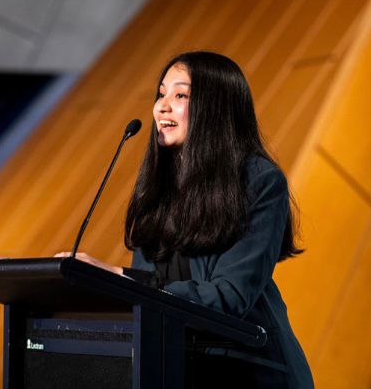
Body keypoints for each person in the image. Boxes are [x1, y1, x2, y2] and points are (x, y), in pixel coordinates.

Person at [56, 51, 314, 388]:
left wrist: (120, 278)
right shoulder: (158, 188)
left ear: (214, 108)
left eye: (180, 95)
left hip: (251, 374)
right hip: (179, 370)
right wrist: (95, 280)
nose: (161, 106)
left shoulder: (260, 181)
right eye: (161, 93)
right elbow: (150, 287)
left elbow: (229, 296)